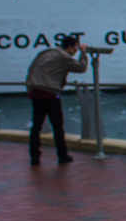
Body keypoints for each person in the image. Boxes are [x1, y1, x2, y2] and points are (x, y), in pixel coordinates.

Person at [26, 35, 88, 165]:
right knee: (57, 126)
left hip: (35, 92)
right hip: (51, 93)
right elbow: (81, 68)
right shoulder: (63, 57)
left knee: (36, 125)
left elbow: (31, 70)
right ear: (70, 46)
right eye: (75, 48)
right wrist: (83, 53)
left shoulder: (45, 53)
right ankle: (62, 155)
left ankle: (34, 156)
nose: (75, 51)